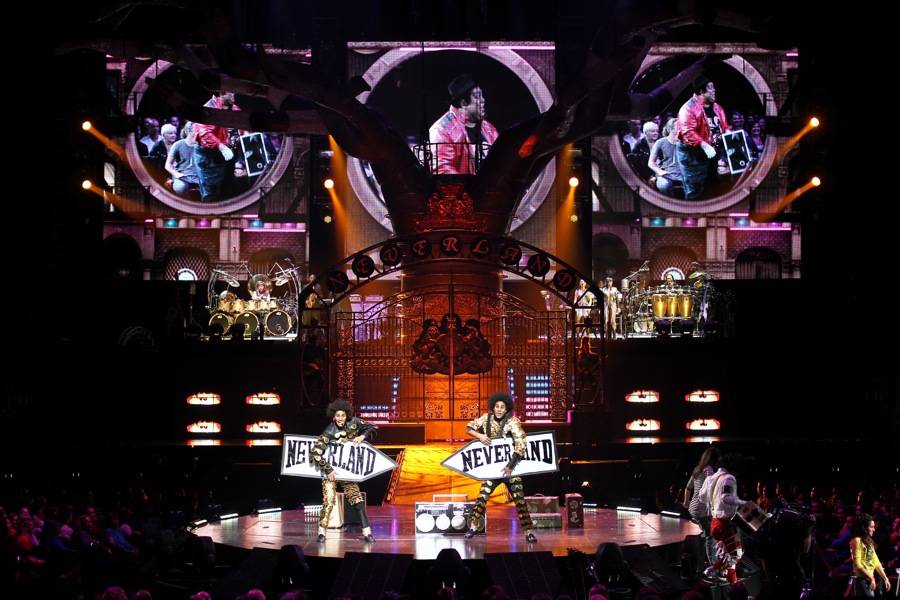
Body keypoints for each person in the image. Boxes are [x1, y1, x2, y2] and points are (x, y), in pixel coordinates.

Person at [463, 392, 537, 543]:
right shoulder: (486, 418)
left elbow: (521, 444)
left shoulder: (512, 421)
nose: (499, 409)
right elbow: (469, 427)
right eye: (497, 406)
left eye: (502, 407)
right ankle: (473, 527)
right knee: (482, 497)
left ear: (506, 408)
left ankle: (528, 531)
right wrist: (480, 436)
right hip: (493, 469)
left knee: (520, 500)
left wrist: (510, 466)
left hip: (511, 469)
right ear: (493, 407)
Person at [311, 399, 378, 543]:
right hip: (331, 473)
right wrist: (328, 469)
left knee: (357, 500)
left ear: (347, 415)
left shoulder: (355, 422)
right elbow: (315, 452)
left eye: (342, 415)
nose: (340, 418)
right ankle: (321, 533)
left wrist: (362, 436)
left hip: (347, 473)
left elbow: (372, 427)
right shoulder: (329, 431)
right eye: (337, 415)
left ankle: (367, 533)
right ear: (333, 416)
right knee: (329, 501)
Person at [429, 74, 498, 175]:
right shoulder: (441, 131)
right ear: (464, 103)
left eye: (482, 96)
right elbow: (442, 169)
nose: (483, 100)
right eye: (477, 97)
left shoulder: (489, 129)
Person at [675, 76, 729, 199]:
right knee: (695, 192)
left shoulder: (717, 107)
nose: (714, 90)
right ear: (701, 91)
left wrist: (729, 133)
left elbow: (724, 126)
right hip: (693, 156)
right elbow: (687, 132)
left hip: (711, 154)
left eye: (713, 87)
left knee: (712, 188)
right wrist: (704, 145)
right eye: (710, 88)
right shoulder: (688, 108)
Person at [697, 453, 747, 583]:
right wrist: (744, 503)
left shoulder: (712, 478)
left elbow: (701, 497)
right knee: (736, 555)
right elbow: (726, 498)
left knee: (730, 556)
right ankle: (711, 569)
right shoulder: (729, 478)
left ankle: (731, 582)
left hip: (715, 524)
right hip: (725, 524)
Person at [193, 91, 239, 200]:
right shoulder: (209, 108)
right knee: (211, 194)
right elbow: (205, 133)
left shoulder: (233, 108)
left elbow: (242, 124)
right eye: (231, 91)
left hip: (226, 156)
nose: (234, 94)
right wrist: (221, 147)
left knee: (228, 191)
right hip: (210, 158)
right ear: (222, 92)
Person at [683, 446, 721, 573]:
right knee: (710, 537)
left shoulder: (697, 470)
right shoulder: (710, 471)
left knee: (699, 539)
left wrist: (686, 502)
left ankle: (700, 566)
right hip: (703, 511)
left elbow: (688, 487)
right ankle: (712, 567)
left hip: (692, 510)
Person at [847, 513, 892, 597]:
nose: (874, 529)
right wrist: (871, 578)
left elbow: (876, 562)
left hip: (869, 579)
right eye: (871, 527)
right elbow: (858, 564)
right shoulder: (857, 541)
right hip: (862, 580)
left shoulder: (869, 542)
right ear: (864, 528)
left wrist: (885, 578)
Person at [648, 117, 683, 197]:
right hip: (666, 175)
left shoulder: (685, 142)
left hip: (683, 175)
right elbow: (651, 163)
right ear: (671, 129)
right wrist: (660, 171)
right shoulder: (660, 142)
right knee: (664, 185)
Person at [165, 122, 200, 196]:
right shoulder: (178, 144)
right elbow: (168, 165)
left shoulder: (202, 145)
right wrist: (176, 174)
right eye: (197, 130)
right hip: (183, 178)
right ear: (189, 131)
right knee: (181, 187)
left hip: (199, 178)